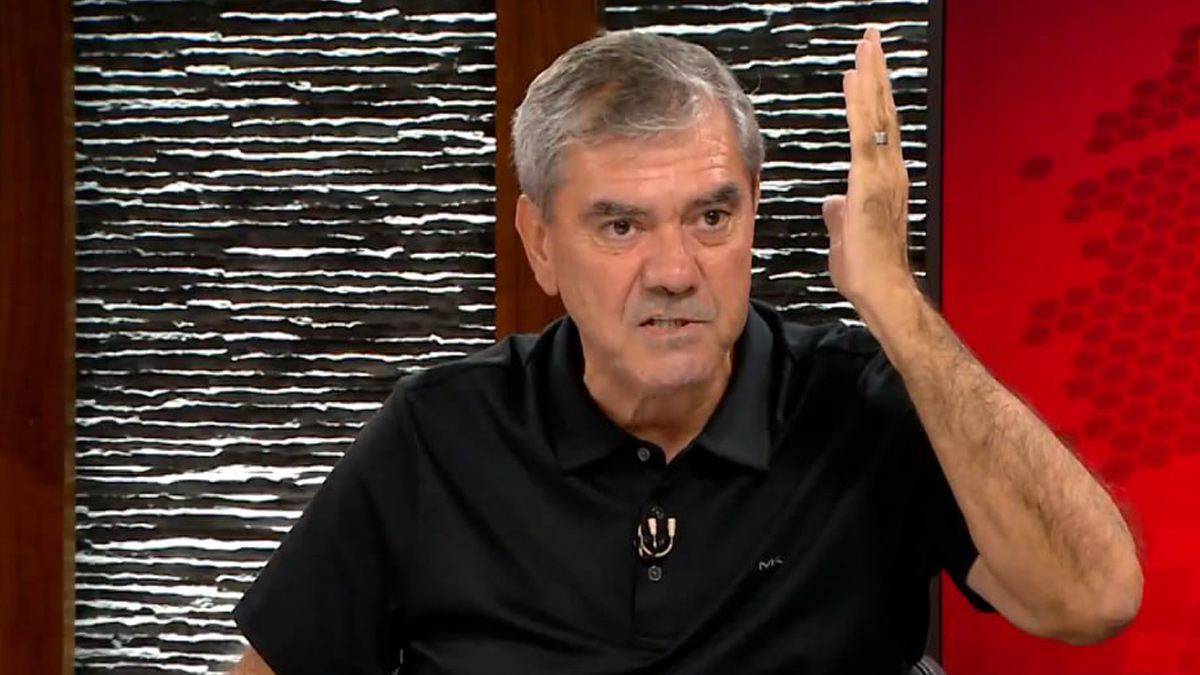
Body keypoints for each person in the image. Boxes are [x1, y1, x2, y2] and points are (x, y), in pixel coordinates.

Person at [229, 28, 1141, 675]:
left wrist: (897, 306)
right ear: (540, 244)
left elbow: (1091, 598)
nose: (674, 272)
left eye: (710, 216)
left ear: (753, 212)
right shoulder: (440, 433)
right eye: (620, 226)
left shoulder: (860, 402)